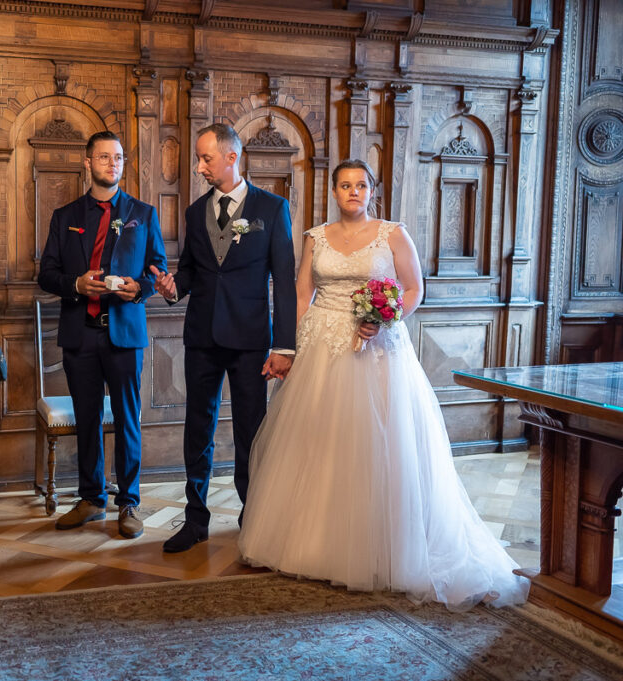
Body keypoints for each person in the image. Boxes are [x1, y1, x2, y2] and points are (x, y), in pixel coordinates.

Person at [237, 159, 529, 610]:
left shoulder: (393, 233)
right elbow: (301, 293)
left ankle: (386, 547)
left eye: (361, 185)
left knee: (378, 444)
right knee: (322, 443)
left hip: (377, 349)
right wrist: (295, 345)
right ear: (333, 192)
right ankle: (316, 543)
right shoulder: (315, 237)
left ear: (372, 191)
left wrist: (386, 316)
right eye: (345, 185)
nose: (353, 192)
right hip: (322, 346)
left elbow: (413, 289)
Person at [151, 123, 297, 553]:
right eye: (199, 158)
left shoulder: (271, 209)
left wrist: (284, 345)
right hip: (202, 338)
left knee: (252, 432)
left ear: (231, 158)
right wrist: (174, 288)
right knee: (198, 428)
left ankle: (253, 518)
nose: (199, 167)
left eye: (206, 159)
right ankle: (195, 519)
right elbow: (195, 271)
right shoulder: (196, 212)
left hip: (252, 340)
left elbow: (284, 282)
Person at [37, 131, 168, 539]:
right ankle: (91, 500)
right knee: (88, 420)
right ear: (88, 162)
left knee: (128, 420)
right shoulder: (66, 216)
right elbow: (46, 274)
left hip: (125, 332)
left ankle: (128, 503)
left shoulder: (142, 214)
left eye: (119, 157)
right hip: (81, 333)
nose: (113, 164)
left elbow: (157, 267)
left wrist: (140, 289)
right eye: (104, 157)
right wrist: (76, 284)